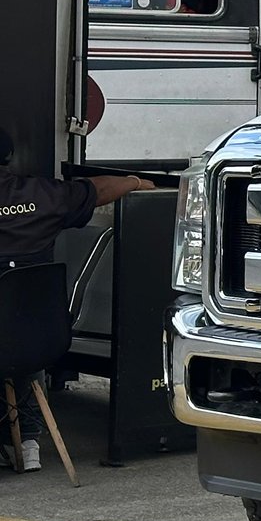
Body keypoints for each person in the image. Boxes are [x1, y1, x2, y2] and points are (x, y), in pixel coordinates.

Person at [0, 128, 152, 471]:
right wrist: (134, 182)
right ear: (8, 159)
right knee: (19, 337)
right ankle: (27, 441)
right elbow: (98, 189)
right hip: (39, 339)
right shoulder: (42, 196)